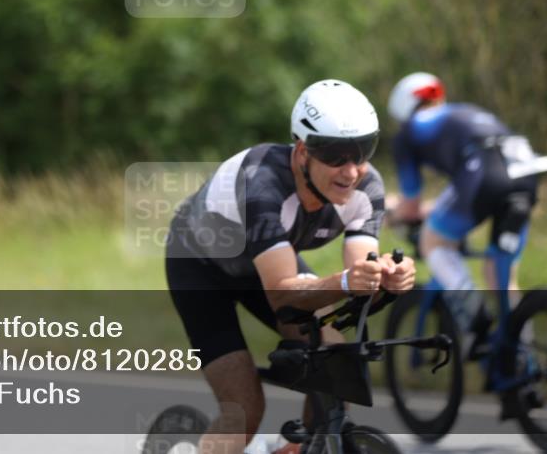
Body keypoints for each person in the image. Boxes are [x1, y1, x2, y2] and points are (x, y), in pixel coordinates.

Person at [166, 80, 416, 454]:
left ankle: (296, 448)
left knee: (335, 359)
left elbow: (361, 273)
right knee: (244, 410)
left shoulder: (367, 185)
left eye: (363, 152)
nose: (351, 172)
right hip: (200, 271)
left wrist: (389, 276)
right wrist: (348, 280)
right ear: (302, 153)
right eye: (335, 156)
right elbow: (283, 293)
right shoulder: (261, 184)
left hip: (264, 263)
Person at [386, 72, 547, 359]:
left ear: (402, 108)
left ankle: (475, 316)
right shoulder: (466, 111)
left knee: (434, 242)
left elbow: (410, 206)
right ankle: (523, 360)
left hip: (483, 175)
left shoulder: (408, 132)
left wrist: (392, 211)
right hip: (525, 175)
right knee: (501, 275)